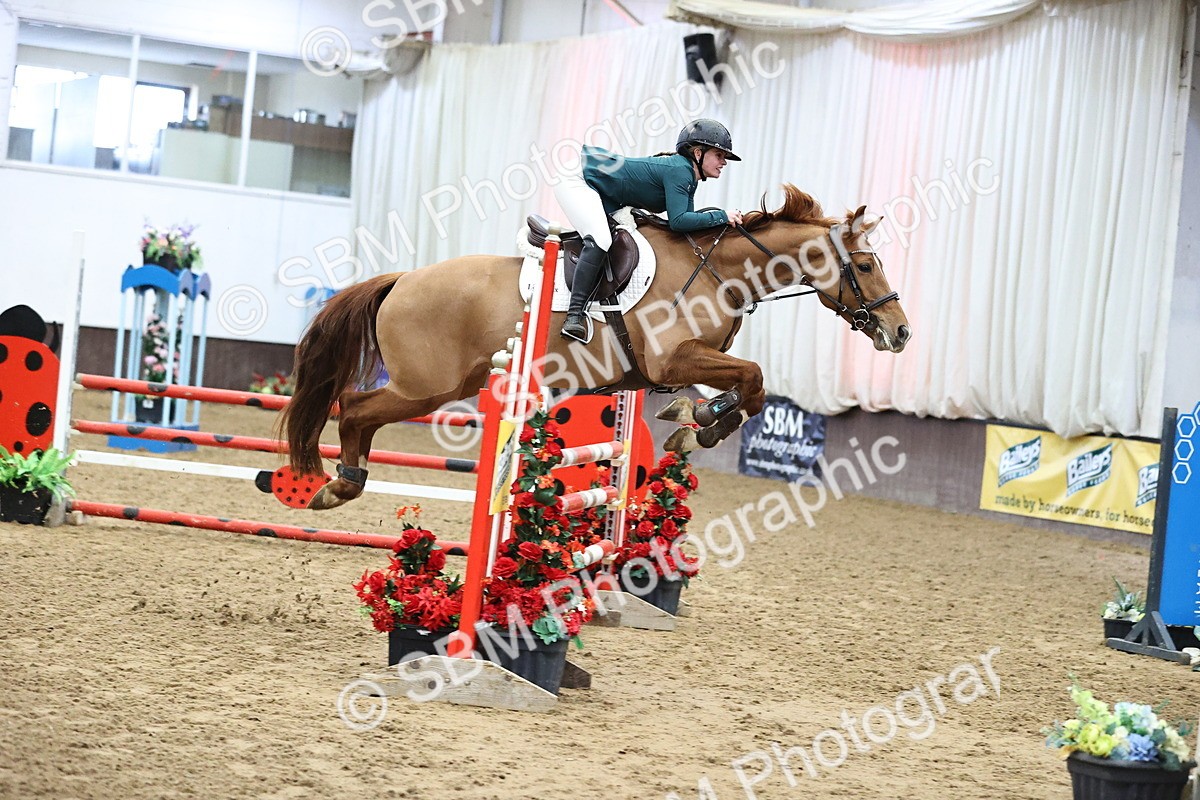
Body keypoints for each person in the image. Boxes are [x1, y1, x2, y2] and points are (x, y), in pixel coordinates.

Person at [553, 118, 745, 342]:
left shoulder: (688, 175)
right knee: (601, 240)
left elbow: (685, 227)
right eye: (719, 155)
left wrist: (720, 222)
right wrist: (722, 216)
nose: (724, 162)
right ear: (698, 153)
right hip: (577, 178)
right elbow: (679, 221)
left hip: (599, 188)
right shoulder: (681, 171)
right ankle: (574, 316)